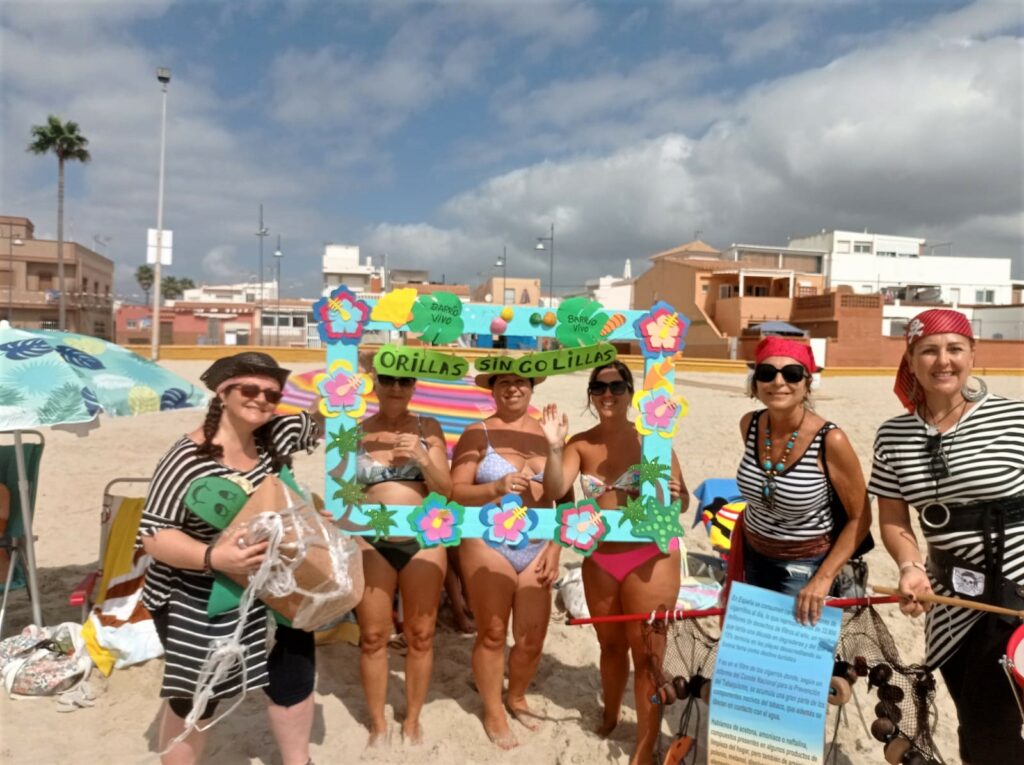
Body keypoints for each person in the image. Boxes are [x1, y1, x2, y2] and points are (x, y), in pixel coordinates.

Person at [138, 352, 323, 765]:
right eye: (250, 389)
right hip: (195, 592)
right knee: (198, 697)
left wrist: (350, 378)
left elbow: (321, 421)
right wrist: (214, 557)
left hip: (277, 585)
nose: (261, 399)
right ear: (223, 393)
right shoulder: (187, 458)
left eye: (272, 394)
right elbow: (153, 534)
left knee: (292, 676)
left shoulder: (275, 434)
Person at [870, 308, 1024, 763]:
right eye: (929, 351)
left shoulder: (1015, 418)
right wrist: (909, 567)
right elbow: (894, 519)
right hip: (954, 603)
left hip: (1020, 590)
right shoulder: (893, 435)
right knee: (982, 728)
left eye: (955, 349)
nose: (943, 361)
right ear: (910, 359)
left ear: (972, 354)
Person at [541, 361, 687, 765]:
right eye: (599, 387)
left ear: (630, 392)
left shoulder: (651, 440)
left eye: (617, 386)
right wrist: (553, 446)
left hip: (651, 557)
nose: (608, 394)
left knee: (648, 655)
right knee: (609, 646)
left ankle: (645, 743)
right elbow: (555, 488)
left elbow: (681, 504)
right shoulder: (580, 445)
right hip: (601, 558)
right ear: (590, 394)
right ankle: (610, 715)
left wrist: (676, 495)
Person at [450, 371, 563, 749]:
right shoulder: (476, 433)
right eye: (504, 382)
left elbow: (565, 498)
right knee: (493, 632)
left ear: (532, 388)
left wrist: (556, 546)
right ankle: (493, 708)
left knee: (531, 637)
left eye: (521, 382)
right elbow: (455, 492)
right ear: (493, 390)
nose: (513, 388)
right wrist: (494, 488)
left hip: (537, 545)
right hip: (487, 542)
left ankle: (516, 696)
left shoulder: (549, 432)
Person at [736, 337, 871, 624]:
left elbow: (860, 517)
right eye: (766, 373)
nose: (778, 382)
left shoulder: (830, 440)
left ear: (808, 382)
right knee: (754, 644)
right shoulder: (749, 424)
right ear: (755, 382)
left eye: (792, 374)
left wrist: (823, 578)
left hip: (805, 565)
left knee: (791, 649)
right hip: (752, 554)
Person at [353, 370, 452, 746]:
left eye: (405, 380)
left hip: (422, 539)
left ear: (414, 386)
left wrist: (423, 457)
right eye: (388, 379)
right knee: (372, 636)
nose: (396, 387)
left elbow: (446, 490)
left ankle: (412, 719)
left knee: (421, 635)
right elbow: (344, 491)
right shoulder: (355, 431)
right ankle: (378, 723)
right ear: (374, 383)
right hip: (372, 540)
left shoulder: (429, 428)